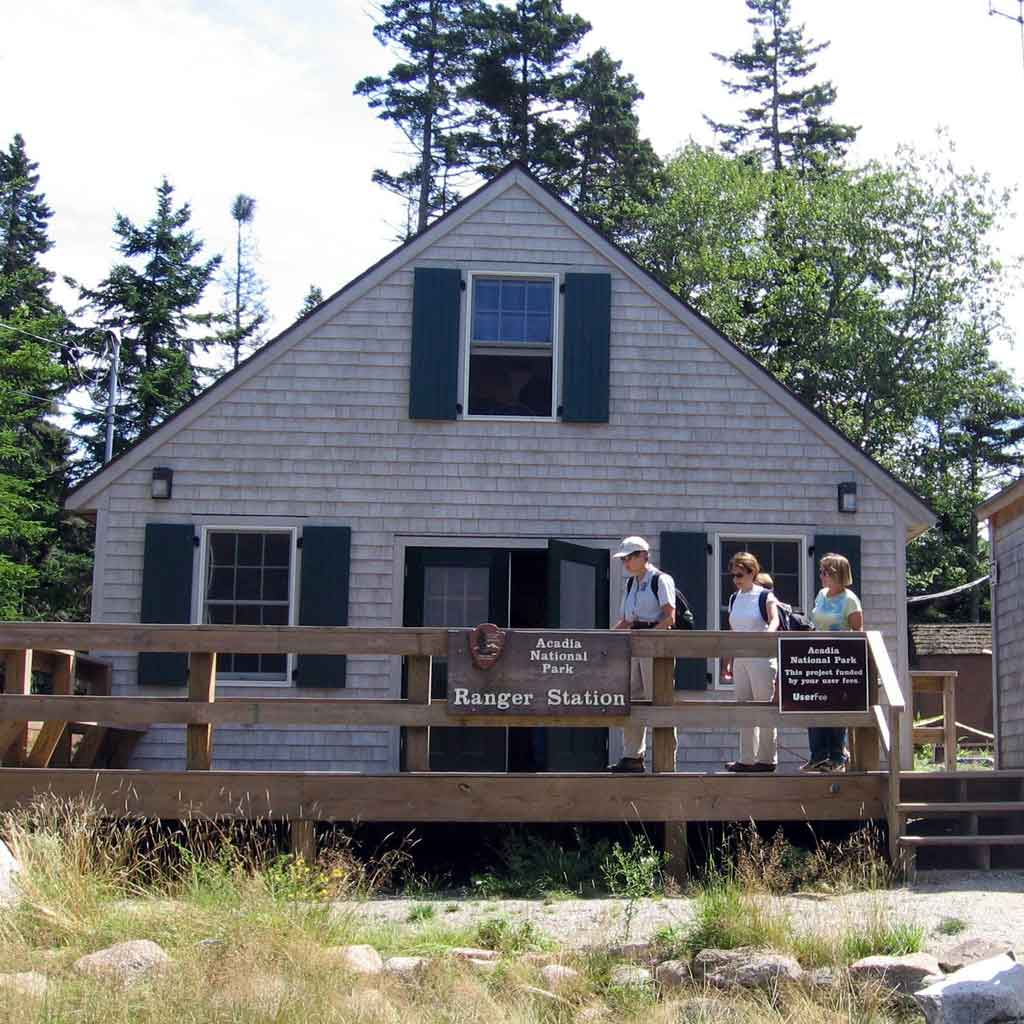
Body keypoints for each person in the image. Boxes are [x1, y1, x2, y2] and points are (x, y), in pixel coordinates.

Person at [608, 536, 676, 773]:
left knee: (658, 700)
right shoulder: (631, 583)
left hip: (655, 646)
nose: (625, 562)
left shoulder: (661, 580)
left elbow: (669, 617)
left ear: (643, 556)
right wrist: (607, 639)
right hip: (633, 643)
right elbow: (627, 620)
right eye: (623, 559)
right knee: (632, 699)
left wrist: (650, 638)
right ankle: (632, 756)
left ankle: (665, 760)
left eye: (629, 557)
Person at [803, 553, 864, 774]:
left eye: (825, 572)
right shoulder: (821, 595)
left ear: (837, 574)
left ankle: (837, 756)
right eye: (821, 571)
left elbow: (858, 631)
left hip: (840, 660)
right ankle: (817, 755)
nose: (821, 576)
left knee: (836, 707)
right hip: (816, 657)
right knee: (813, 704)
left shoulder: (850, 599)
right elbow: (814, 622)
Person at [724, 552, 779, 773]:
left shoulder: (765, 595)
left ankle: (766, 759)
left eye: (740, 574)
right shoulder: (734, 598)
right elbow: (732, 630)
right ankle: (746, 758)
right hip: (740, 658)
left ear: (752, 572)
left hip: (761, 658)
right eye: (733, 575)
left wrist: (767, 636)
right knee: (744, 708)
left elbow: (774, 619)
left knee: (764, 709)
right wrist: (728, 659)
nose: (736, 579)